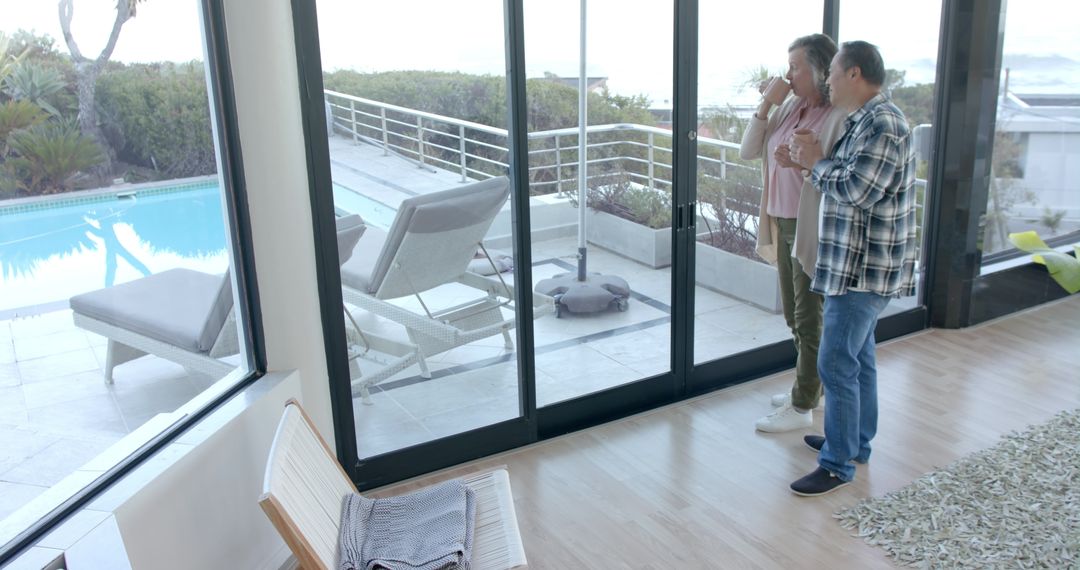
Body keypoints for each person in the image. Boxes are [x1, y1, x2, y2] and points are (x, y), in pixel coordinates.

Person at [787, 40, 918, 496]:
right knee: (859, 359)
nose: (827, 81)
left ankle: (837, 464)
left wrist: (816, 163)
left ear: (855, 74)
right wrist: (812, 163)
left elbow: (858, 191)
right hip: (853, 263)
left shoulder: (884, 124)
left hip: (864, 268)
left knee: (836, 362)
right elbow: (842, 180)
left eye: (833, 73)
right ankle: (854, 442)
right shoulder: (864, 120)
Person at [740, 34, 848, 433]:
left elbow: (836, 177)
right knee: (793, 314)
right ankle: (811, 387)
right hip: (781, 219)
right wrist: (767, 103)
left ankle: (802, 403)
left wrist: (801, 165)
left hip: (810, 225)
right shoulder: (790, 106)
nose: (788, 75)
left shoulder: (837, 116)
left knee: (808, 317)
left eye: (795, 67)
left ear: (819, 71)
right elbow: (748, 150)